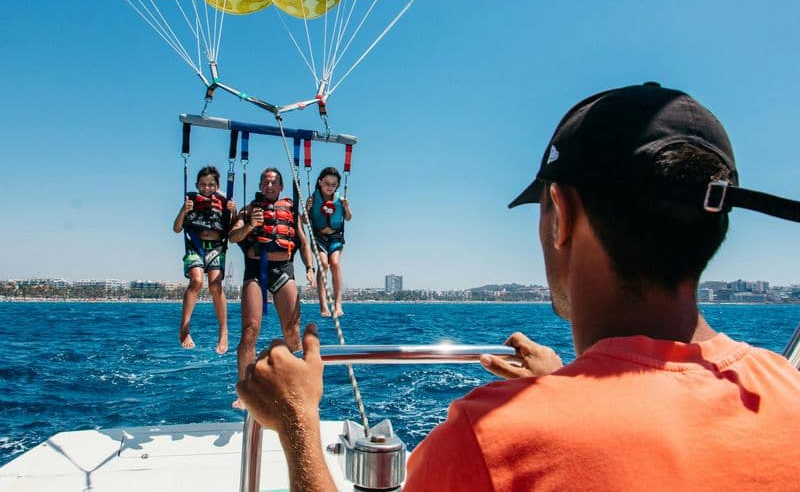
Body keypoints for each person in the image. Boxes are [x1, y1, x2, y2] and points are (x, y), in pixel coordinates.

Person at [235, 83, 800, 490]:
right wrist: (564, 385)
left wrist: (297, 421)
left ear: (562, 214)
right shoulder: (787, 387)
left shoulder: (491, 440)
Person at [228, 167, 315, 389]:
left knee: (292, 330)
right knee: (250, 329)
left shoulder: (290, 210)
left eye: (273, 182)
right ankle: (246, 388)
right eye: (265, 182)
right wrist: (250, 225)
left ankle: (293, 383)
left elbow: (304, 243)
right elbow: (233, 237)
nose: (269, 186)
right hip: (256, 270)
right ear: (260, 185)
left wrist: (310, 268)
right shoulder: (249, 210)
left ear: (281, 186)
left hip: (283, 269)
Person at [172, 165, 235, 354]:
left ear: (217, 186)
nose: (206, 188)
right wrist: (184, 210)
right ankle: (184, 329)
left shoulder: (224, 202)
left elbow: (233, 232)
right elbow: (176, 228)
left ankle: (223, 331)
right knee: (197, 282)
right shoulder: (190, 201)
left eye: (210, 184)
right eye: (203, 184)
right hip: (195, 246)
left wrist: (234, 211)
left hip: (216, 247)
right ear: (197, 185)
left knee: (216, 285)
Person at [305, 167, 352, 317]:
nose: (330, 187)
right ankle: (323, 305)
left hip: (335, 237)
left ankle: (338, 305)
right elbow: (304, 220)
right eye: (327, 183)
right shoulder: (313, 199)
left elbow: (348, 218)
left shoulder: (340, 200)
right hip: (318, 238)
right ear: (320, 182)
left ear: (337, 185)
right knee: (323, 264)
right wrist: (307, 208)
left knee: (335, 264)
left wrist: (346, 208)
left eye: (333, 184)